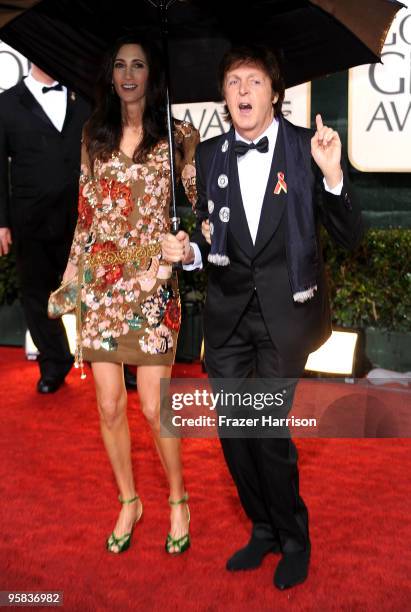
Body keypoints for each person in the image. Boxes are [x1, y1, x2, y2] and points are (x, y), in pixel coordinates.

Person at [162, 45, 363, 588]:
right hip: (227, 322)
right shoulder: (207, 157)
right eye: (233, 82)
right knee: (234, 434)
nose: (244, 91)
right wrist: (189, 254)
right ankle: (262, 529)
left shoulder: (306, 148)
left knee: (268, 432)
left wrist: (333, 175)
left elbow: (353, 237)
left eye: (254, 81)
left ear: (275, 92)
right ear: (224, 96)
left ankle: (294, 536)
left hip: (284, 317)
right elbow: (211, 240)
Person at [62, 35, 199, 554]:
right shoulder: (93, 135)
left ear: (152, 73)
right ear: (110, 72)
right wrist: (72, 277)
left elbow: (201, 203)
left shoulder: (178, 134)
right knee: (108, 403)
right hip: (102, 284)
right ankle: (128, 499)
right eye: (120, 64)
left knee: (151, 407)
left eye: (138, 64)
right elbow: (85, 215)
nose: (128, 73)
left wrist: (185, 240)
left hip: (153, 284)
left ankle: (178, 497)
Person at [0, 64, 90, 393]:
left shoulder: (86, 99)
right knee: (37, 295)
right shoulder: (7, 104)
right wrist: (2, 222)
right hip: (31, 219)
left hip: (84, 217)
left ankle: (117, 366)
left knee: (97, 292)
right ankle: (55, 361)